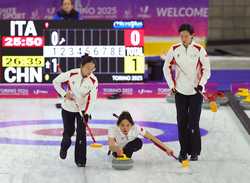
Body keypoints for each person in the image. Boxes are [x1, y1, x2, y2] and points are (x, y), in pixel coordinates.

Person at [163, 24, 211, 162]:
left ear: (192, 35)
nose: (183, 38)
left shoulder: (199, 50)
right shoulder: (174, 49)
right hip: (180, 92)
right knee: (181, 123)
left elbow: (207, 69)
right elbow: (166, 67)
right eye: (181, 36)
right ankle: (183, 151)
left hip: (196, 92)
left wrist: (201, 85)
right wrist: (171, 85)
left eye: (186, 35)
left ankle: (194, 152)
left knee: (193, 124)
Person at [53, 54, 98, 167]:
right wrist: (65, 94)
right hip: (67, 108)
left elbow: (92, 99)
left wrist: (87, 113)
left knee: (81, 135)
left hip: (82, 110)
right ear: (81, 66)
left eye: (92, 69)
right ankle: (64, 147)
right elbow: (55, 82)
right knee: (69, 132)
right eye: (88, 68)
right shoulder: (71, 73)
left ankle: (80, 160)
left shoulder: (93, 81)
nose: (90, 71)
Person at [108, 111, 173, 158]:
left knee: (138, 142)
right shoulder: (113, 129)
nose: (125, 128)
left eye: (128, 125)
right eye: (122, 125)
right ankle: (118, 153)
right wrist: (116, 149)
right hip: (118, 147)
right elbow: (111, 145)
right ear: (118, 124)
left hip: (130, 146)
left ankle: (125, 154)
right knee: (118, 153)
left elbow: (153, 138)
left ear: (132, 125)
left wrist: (167, 149)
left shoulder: (136, 128)